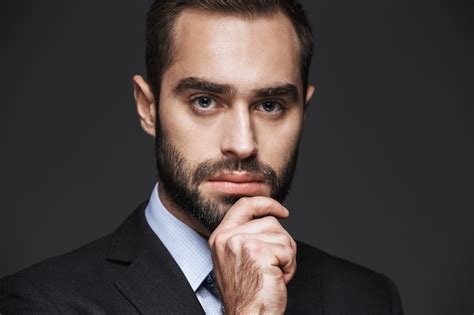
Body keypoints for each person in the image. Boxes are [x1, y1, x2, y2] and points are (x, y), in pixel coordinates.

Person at [0, 0, 403, 314]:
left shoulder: (367, 299)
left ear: (304, 112)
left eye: (270, 105)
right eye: (206, 101)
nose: (243, 145)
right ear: (148, 107)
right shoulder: (41, 302)